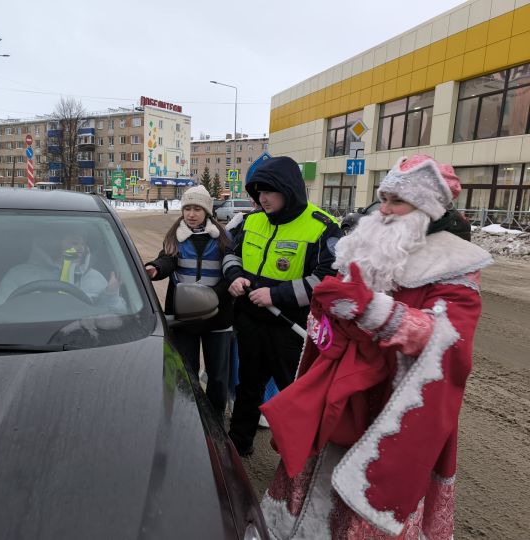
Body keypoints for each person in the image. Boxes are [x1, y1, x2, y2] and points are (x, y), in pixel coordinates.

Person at [260, 155, 493, 539]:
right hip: (341, 393)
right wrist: (329, 322)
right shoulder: (369, 245)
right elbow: (339, 307)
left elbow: (448, 339)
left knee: (365, 507)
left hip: (392, 405)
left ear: (428, 208)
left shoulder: (456, 265)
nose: (382, 210)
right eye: (382, 197)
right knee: (314, 479)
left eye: (395, 202)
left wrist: (375, 312)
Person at [222, 156, 342, 457]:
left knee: (294, 395)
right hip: (251, 322)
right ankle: (238, 447)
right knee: (248, 386)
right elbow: (230, 255)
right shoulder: (251, 221)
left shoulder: (321, 227)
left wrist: (277, 295)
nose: (262, 198)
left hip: (291, 329)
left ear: (289, 190)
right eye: (258, 191)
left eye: (270, 191)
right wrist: (234, 277)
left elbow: (328, 279)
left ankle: (294, 461)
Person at [145, 185, 233, 418]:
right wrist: (155, 268)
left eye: (197, 209)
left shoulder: (223, 238)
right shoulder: (176, 236)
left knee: (217, 375)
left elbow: (231, 273)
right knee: (187, 371)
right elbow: (167, 260)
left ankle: (215, 418)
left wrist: (215, 295)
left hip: (217, 316)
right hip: (185, 318)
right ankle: (190, 417)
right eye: (187, 209)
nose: (191, 214)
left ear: (207, 211)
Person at [0, 227, 124, 311]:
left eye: (83, 244)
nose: (81, 249)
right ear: (51, 244)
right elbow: (0, 314)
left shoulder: (94, 277)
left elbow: (113, 319)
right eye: (74, 243)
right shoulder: (20, 274)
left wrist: (111, 294)